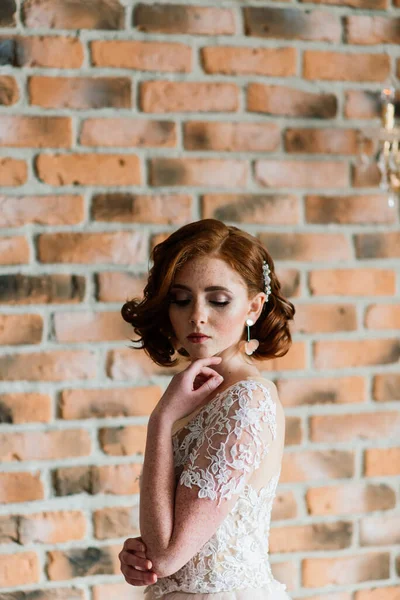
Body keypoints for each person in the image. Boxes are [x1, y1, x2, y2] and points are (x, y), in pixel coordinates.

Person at [118, 219, 295, 600]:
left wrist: (160, 420)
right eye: (181, 299)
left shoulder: (247, 400)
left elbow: (167, 557)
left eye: (218, 300)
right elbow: (168, 547)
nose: (197, 315)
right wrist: (140, 553)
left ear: (253, 307)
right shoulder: (200, 397)